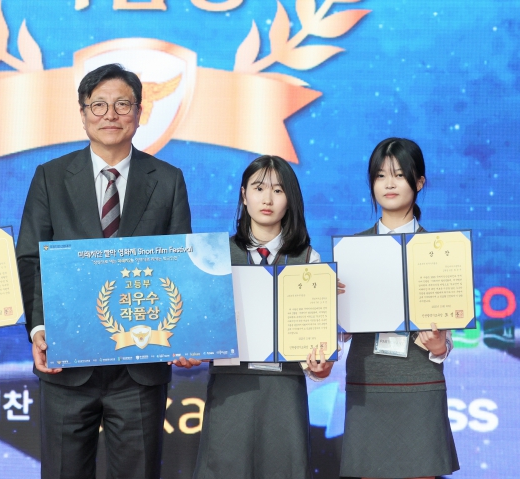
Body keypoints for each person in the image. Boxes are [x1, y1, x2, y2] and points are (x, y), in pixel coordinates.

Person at [16, 63, 195, 479]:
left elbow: (178, 263)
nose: (110, 114)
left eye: (122, 105)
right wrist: (39, 328)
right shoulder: (50, 177)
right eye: (98, 105)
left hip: (141, 367)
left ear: (139, 113)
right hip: (67, 363)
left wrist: (184, 334)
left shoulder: (168, 180)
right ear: (82, 114)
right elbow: (30, 258)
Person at [194, 155, 335, 479]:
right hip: (230, 391)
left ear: (290, 199)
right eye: (259, 188)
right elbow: (202, 327)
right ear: (244, 196)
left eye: (278, 190)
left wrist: (321, 365)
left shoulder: (309, 259)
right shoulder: (217, 257)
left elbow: (316, 345)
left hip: (283, 392)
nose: (267, 199)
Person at [339, 137, 459, 479]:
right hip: (368, 384)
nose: (389, 184)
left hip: (419, 383)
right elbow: (341, 330)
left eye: (399, 174)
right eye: (380, 176)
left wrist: (440, 347)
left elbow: (446, 332)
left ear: (418, 182)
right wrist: (332, 313)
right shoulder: (350, 249)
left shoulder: (440, 250)